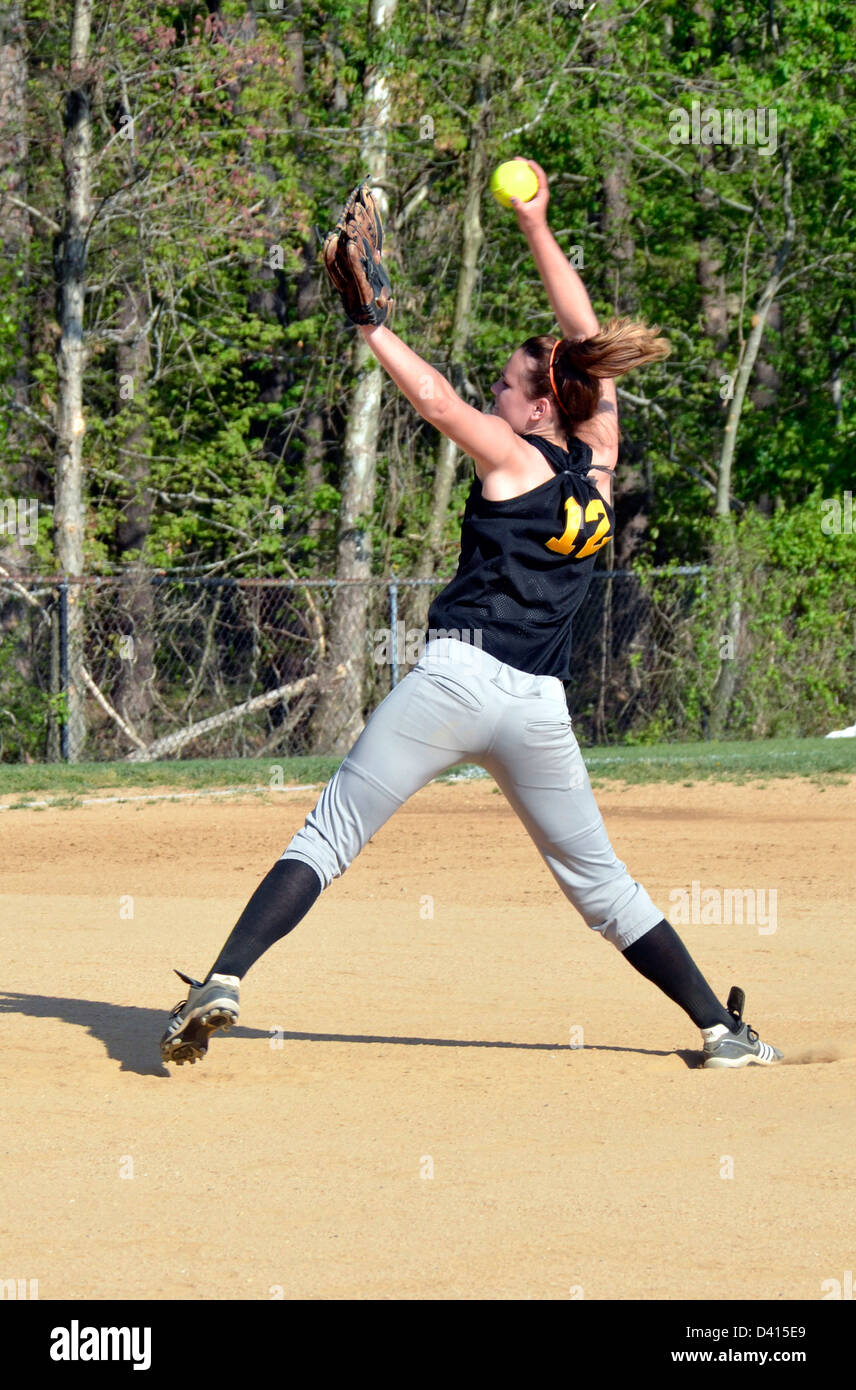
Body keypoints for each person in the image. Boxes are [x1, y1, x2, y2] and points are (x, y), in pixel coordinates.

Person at [160, 159, 782, 1071]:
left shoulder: (512, 457)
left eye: (507, 382)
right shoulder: (596, 466)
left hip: (453, 682)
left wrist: (371, 326)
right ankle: (723, 1033)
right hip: (537, 709)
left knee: (330, 834)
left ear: (538, 403)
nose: (494, 392)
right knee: (603, 887)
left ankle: (225, 978)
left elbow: (435, 399)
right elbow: (584, 337)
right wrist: (535, 223)